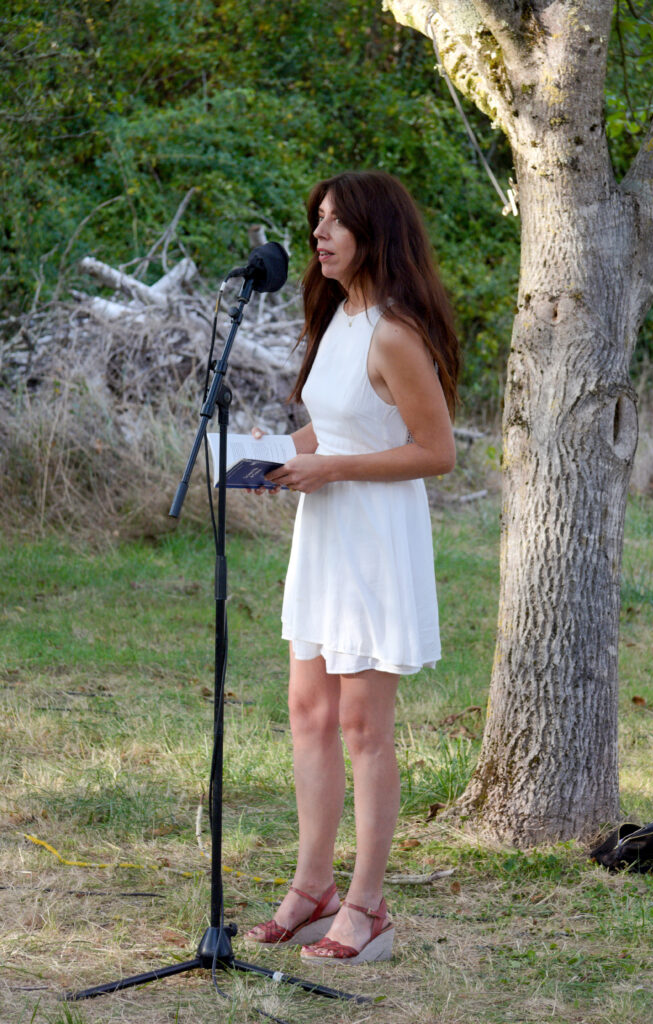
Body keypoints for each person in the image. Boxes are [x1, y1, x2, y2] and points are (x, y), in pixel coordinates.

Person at [244, 170, 459, 965]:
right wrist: (270, 456)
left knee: (365, 727)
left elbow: (433, 451)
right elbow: (329, 427)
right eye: (316, 223)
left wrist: (330, 469)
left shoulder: (394, 332)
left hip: (374, 537)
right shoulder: (338, 316)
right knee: (309, 715)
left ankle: (368, 907)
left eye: (335, 223)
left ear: (377, 231)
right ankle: (311, 891)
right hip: (325, 537)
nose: (319, 236)